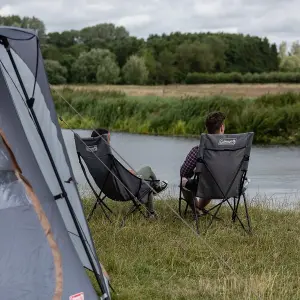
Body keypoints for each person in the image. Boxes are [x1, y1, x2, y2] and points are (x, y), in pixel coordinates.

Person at [91, 128, 168, 218]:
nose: (110, 141)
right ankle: (157, 188)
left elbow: (113, 173)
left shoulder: (93, 157)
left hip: (108, 190)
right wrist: (130, 174)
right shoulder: (107, 156)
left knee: (146, 183)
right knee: (147, 170)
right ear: (102, 140)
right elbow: (116, 173)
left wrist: (126, 172)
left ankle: (151, 211)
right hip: (123, 188)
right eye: (108, 139)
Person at [180, 111, 226, 212]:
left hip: (206, 187)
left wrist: (197, 170)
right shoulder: (235, 149)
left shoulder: (198, 150)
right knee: (212, 179)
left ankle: (196, 208)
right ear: (222, 128)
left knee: (184, 180)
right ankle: (200, 207)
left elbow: (183, 173)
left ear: (207, 129)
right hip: (231, 188)